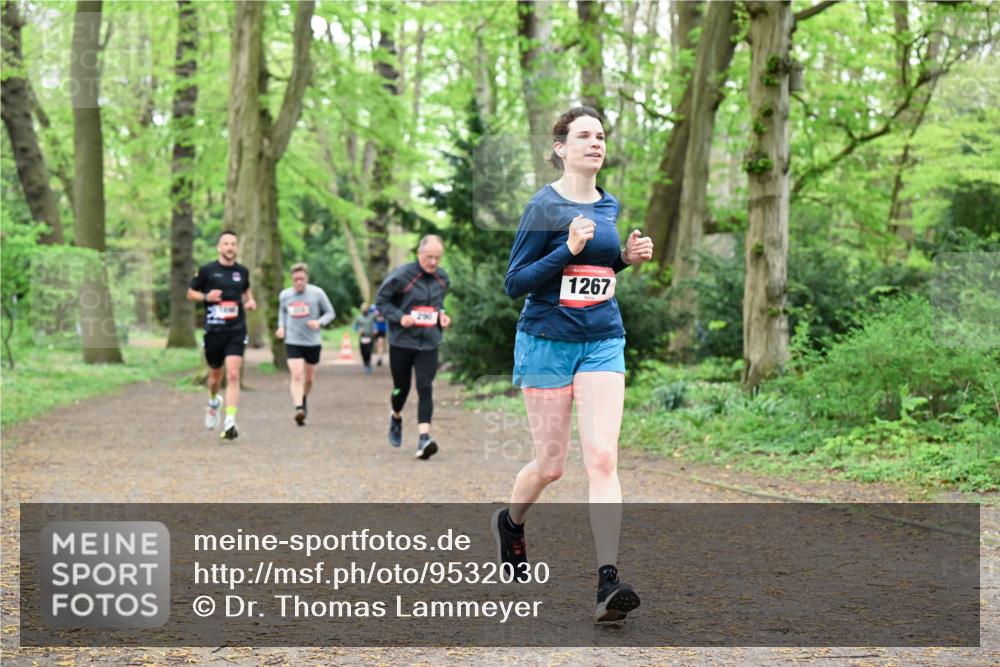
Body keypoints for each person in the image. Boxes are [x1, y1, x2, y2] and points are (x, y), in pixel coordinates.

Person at [492, 107, 654, 622]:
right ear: (560, 147)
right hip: (546, 342)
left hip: (603, 340)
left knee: (603, 459)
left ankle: (608, 580)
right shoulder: (542, 207)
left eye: (601, 135)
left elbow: (599, 271)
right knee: (552, 466)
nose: (595, 142)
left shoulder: (609, 205)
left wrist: (626, 259)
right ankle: (512, 521)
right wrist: (567, 247)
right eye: (584, 135)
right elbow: (515, 283)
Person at [374, 234, 452, 460]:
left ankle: (424, 438)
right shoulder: (401, 276)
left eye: (438, 258)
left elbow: (439, 305)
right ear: (419, 254)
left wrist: (442, 317)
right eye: (429, 257)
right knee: (401, 389)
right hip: (402, 342)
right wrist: (400, 317)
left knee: (425, 386)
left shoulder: (442, 278)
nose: (433, 262)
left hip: (429, 342)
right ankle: (396, 415)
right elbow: (381, 303)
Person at [187, 230, 257, 440]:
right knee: (215, 377)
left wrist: (250, 301)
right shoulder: (207, 271)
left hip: (236, 329)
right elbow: (190, 293)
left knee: (233, 374)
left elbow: (246, 291)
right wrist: (207, 296)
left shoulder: (242, 272)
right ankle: (213, 400)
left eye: (233, 244)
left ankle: (230, 421)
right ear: (219, 247)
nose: (229, 247)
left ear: (236, 248)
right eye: (226, 244)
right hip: (214, 330)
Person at [275, 263, 335, 426]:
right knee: (296, 374)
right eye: (295, 279)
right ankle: (299, 408)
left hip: (312, 341)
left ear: (306, 278)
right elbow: (282, 312)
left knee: (309, 379)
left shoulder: (317, 293)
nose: (299, 282)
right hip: (293, 340)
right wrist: (281, 326)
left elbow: (330, 312)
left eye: (301, 279)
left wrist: (319, 322)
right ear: (292, 280)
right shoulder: (285, 295)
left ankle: (303, 398)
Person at [353, 303, 378, 373]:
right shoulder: (358, 317)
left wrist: (375, 329)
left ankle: (369, 364)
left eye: (366, 309)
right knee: (363, 352)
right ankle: (365, 364)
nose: (364, 311)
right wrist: (358, 330)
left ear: (368, 310)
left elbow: (376, 323)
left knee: (368, 351)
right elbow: (355, 327)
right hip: (362, 337)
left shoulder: (372, 316)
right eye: (363, 310)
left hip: (370, 337)